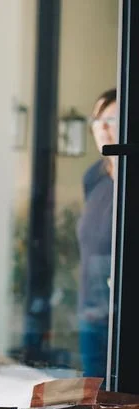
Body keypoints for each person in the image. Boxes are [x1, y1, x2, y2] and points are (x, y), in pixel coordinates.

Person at [77, 88, 117, 381]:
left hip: (122, 317)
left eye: (111, 119)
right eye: (96, 120)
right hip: (90, 316)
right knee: (94, 397)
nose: (101, 128)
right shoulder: (94, 177)